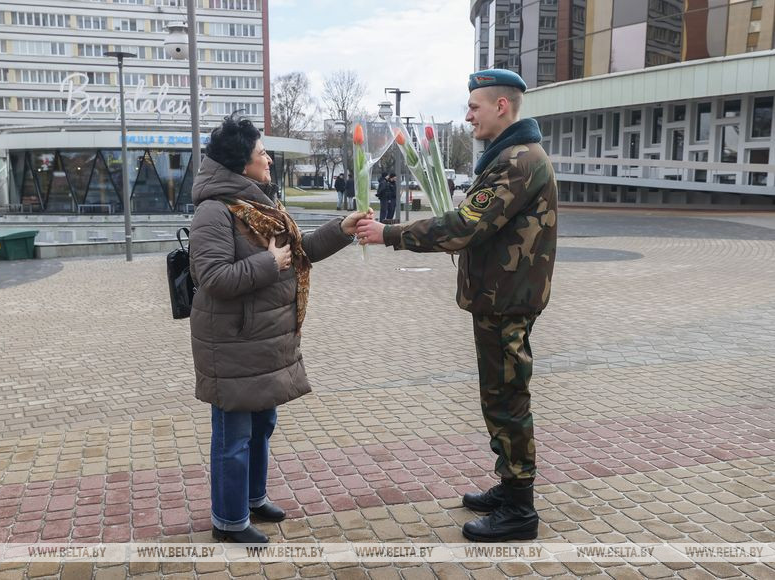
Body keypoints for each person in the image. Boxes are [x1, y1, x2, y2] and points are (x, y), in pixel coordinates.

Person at [356, 69, 557, 543]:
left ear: (501, 107)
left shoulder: (516, 160)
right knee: (499, 396)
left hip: (506, 301)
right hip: (500, 297)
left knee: (507, 400)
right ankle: (510, 489)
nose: (467, 116)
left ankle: (520, 510)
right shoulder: (511, 156)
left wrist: (389, 234)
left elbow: (466, 225)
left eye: (474, 107)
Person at [188, 115, 370, 544]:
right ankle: (228, 522)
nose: (267, 158)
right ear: (240, 164)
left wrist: (341, 229)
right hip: (233, 345)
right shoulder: (214, 212)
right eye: (260, 153)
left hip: (263, 343)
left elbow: (297, 251)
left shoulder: (259, 206)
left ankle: (252, 500)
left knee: (261, 426)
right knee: (233, 437)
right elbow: (213, 277)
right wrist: (268, 264)